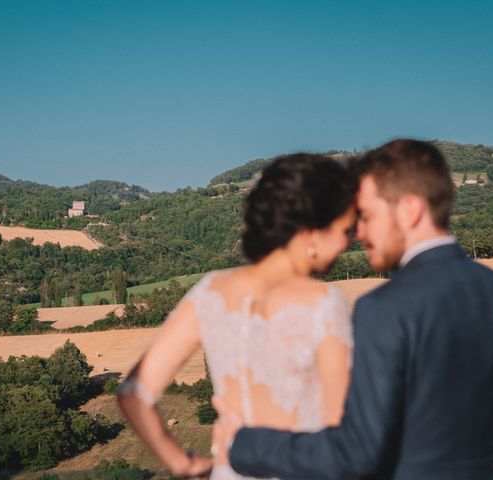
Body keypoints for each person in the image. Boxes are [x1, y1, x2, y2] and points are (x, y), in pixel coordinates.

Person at [213, 139, 493, 480]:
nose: (359, 233)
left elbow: (357, 454)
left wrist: (244, 444)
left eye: (366, 216)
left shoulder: (384, 309)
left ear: (410, 210)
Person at [117, 153, 358, 479]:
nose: (349, 241)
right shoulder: (323, 302)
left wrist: (182, 463)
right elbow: (341, 431)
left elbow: (134, 393)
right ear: (311, 232)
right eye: (345, 229)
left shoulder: (211, 290)